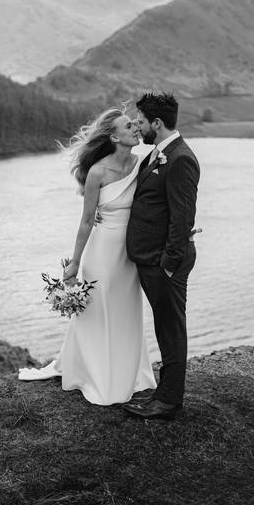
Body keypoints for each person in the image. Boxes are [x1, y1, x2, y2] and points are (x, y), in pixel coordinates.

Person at [18, 106, 157, 405]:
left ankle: (128, 372)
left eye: (135, 124)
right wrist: (75, 263)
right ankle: (96, 374)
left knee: (126, 311)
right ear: (113, 136)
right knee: (98, 313)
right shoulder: (97, 172)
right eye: (128, 125)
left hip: (130, 254)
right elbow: (85, 221)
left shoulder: (143, 163)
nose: (136, 128)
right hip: (102, 253)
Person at [121, 92, 200, 421]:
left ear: (157, 123)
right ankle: (166, 394)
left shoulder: (180, 158)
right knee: (165, 328)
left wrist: (168, 265)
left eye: (140, 121)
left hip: (163, 263)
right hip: (150, 258)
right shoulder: (159, 154)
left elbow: (182, 220)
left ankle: (168, 402)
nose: (137, 126)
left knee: (170, 330)